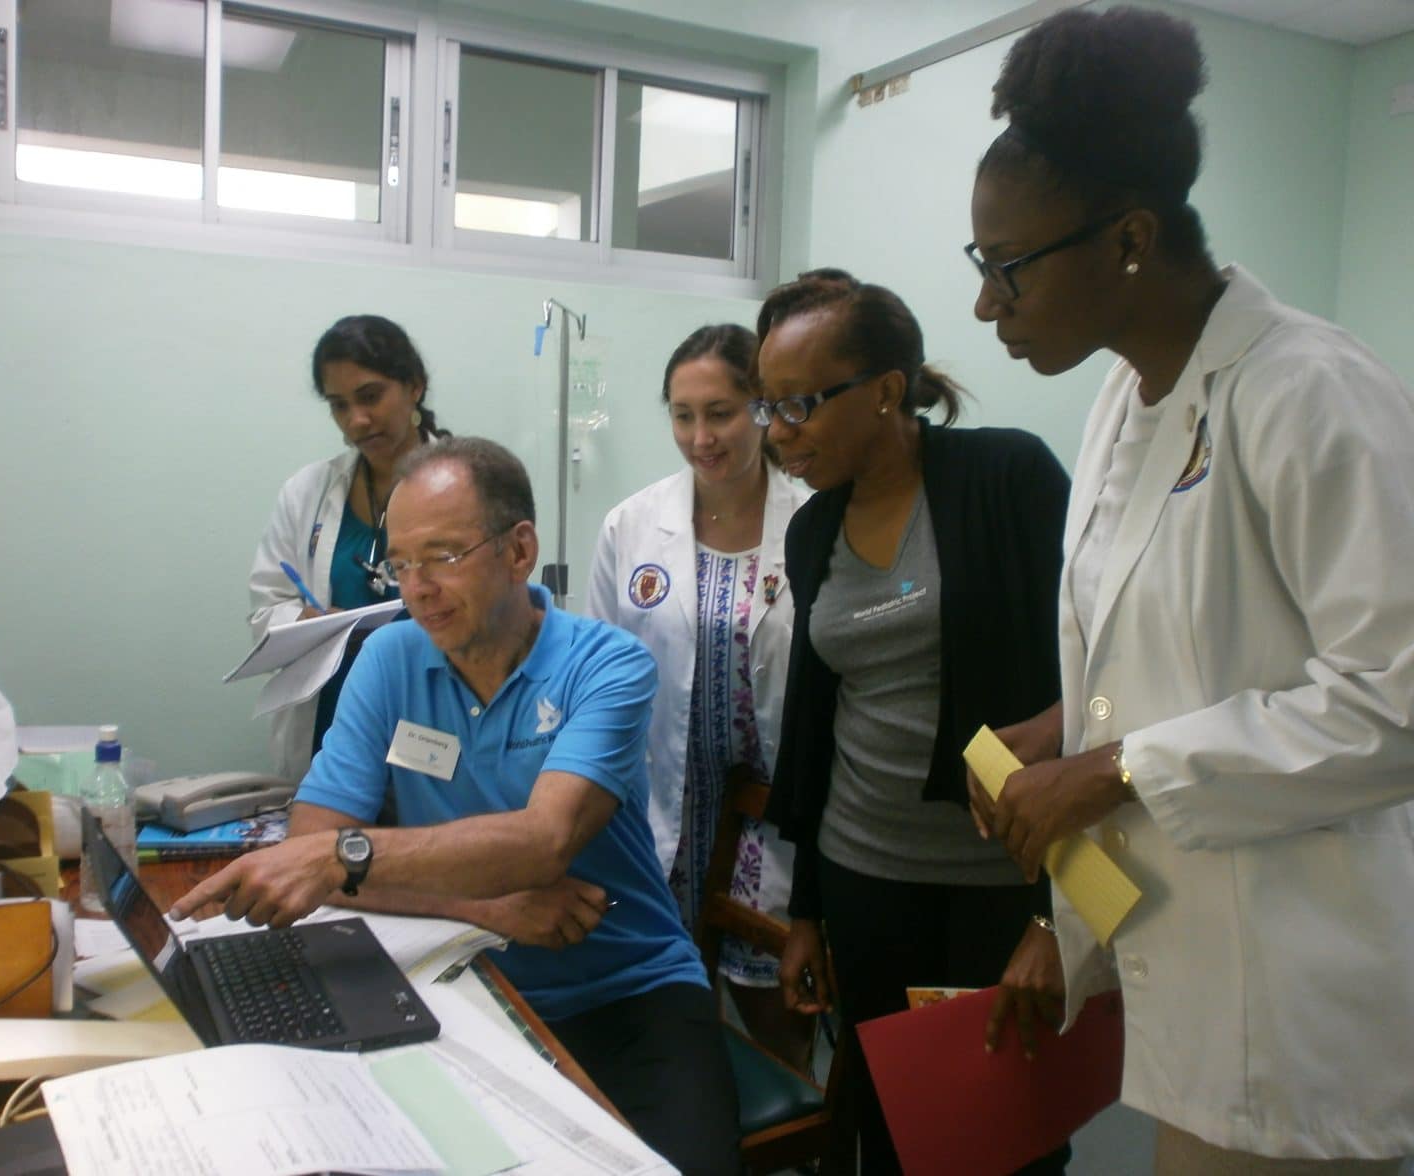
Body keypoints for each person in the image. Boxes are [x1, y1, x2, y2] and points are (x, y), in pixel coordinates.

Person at [965, 7, 1414, 1172]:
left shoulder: (1308, 392)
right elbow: (1188, 656)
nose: (985, 306)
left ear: (1127, 240)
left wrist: (1104, 772)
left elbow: (1393, 704)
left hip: (1295, 994)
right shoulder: (1126, 398)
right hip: (1185, 967)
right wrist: (1063, 730)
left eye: (1005, 269)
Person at [179, 437, 742, 1176]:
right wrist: (485, 910)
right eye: (401, 563)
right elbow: (317, 836)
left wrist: (344, 859)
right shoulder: (388, 657)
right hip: (459, 980)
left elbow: (542, 841)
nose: (418, 587)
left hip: (628, 990)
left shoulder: (606, 665)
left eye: (443, 556)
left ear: (519, 551)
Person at [755, 270, 1071, 1174]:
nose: (778, 434)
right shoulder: (814, 530)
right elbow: (819, 725)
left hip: (1002, 881)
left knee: (1010, 1130)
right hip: (866, 876)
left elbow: (1101, 670)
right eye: (767, 407)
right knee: (891, 1127)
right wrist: (808, 910)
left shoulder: (1005, 478)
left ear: (888, 390)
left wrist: (1059, 923)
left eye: (801, 405)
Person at [586, 323, 814, 1067]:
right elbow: (595, 671)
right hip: (663, 807)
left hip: (776, 816)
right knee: (672, 1019)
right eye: (682, 415)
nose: (700, 436)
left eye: (719, 412)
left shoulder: (814, 517)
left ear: (761, 406)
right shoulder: (631, 525)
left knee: (778, 1014)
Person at [247, 315, 450, 783]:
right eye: (339, 406)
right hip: (330, 728)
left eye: (370, 396)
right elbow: (266, 610)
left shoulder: (466, 484)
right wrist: (305, 623)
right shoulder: (309, 492)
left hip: (434, 722)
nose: (356, 420)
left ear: (414, 386)